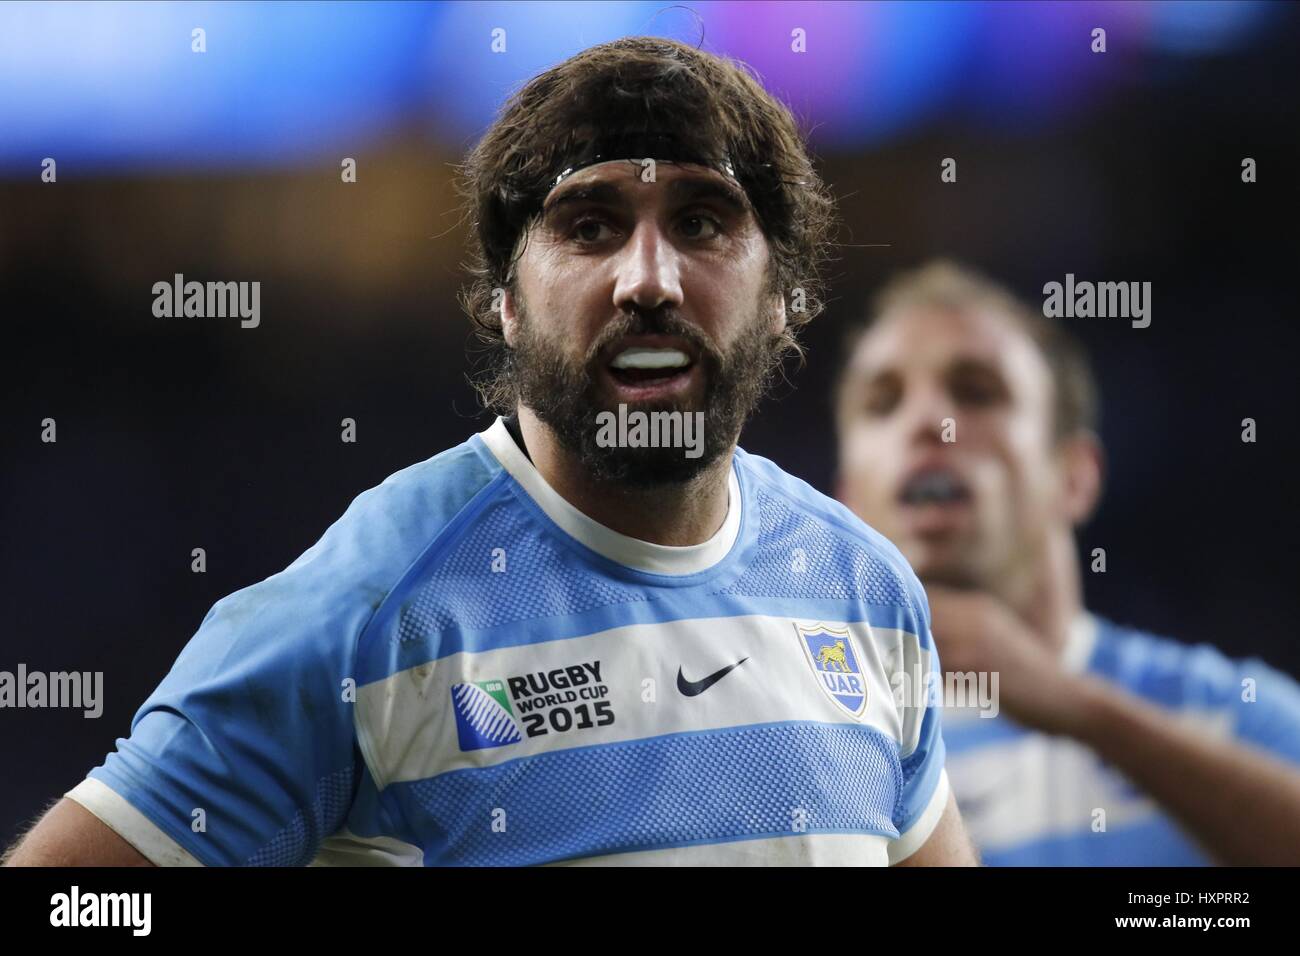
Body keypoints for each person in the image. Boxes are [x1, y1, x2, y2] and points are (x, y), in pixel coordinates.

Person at [5, 38, 974, 867]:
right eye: (589, 225)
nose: (648, 278)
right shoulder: (370, 613)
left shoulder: (866, 589)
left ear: (781, 297)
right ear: (506, 305)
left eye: (701, 221)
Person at [834, 259, 1300, 865]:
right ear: (841, 503)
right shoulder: (815, 750)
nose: (929, 422)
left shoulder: (1222, 713)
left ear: (1075, 476)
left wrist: (1080, 710)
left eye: (976, 391)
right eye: (883, 402)